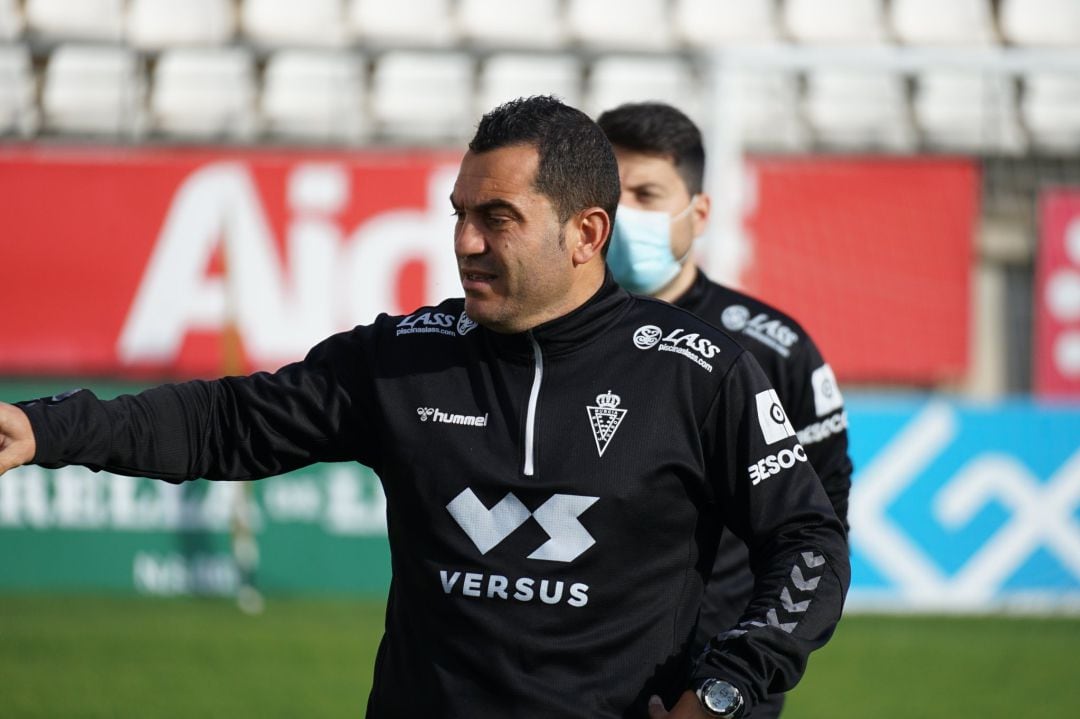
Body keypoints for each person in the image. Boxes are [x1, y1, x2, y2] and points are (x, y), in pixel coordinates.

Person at [0, 96, 848, 719]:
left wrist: (730, 683)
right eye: (460, 214)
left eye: (499, 218)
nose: (466, 241)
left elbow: (807, 540)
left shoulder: (702, 372)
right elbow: (225, 423)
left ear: (586, 233)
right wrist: (44, 427)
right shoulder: (404, 357)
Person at [597, 101, 854, 717]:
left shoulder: (774, 349)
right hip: (584, 678)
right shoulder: (544, 339)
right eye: (610, 193)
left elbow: (819, 521)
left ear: (699, 211)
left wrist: (738, 671)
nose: (625, 213)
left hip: (723, 684)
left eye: (647, 193)